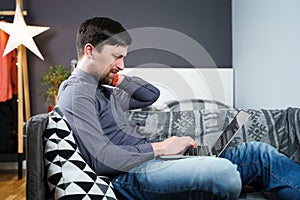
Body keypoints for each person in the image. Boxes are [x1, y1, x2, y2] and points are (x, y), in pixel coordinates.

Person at [57, 17, 300, 200]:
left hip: (151, 163)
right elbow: (101, 159)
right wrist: (162, 148)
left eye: (124, 57)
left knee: (258, 154)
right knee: (224, 172)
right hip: (126, 176)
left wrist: (116, 77)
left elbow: (149, 95)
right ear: (90, 50)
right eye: (116, 57)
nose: (122, 65)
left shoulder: (104, 89)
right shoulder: (77, 92)